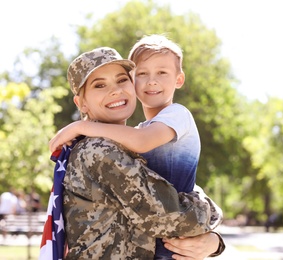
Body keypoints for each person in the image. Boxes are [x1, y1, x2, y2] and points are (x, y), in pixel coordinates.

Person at [49, 35, 223, 259]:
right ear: (81, 103)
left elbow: (169, 187)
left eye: (121, 80)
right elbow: (167, 216)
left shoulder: (124, 142)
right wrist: (214, 226)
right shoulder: (99, 150)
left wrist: (213, 239)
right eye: (99, 85)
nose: (115, 91)